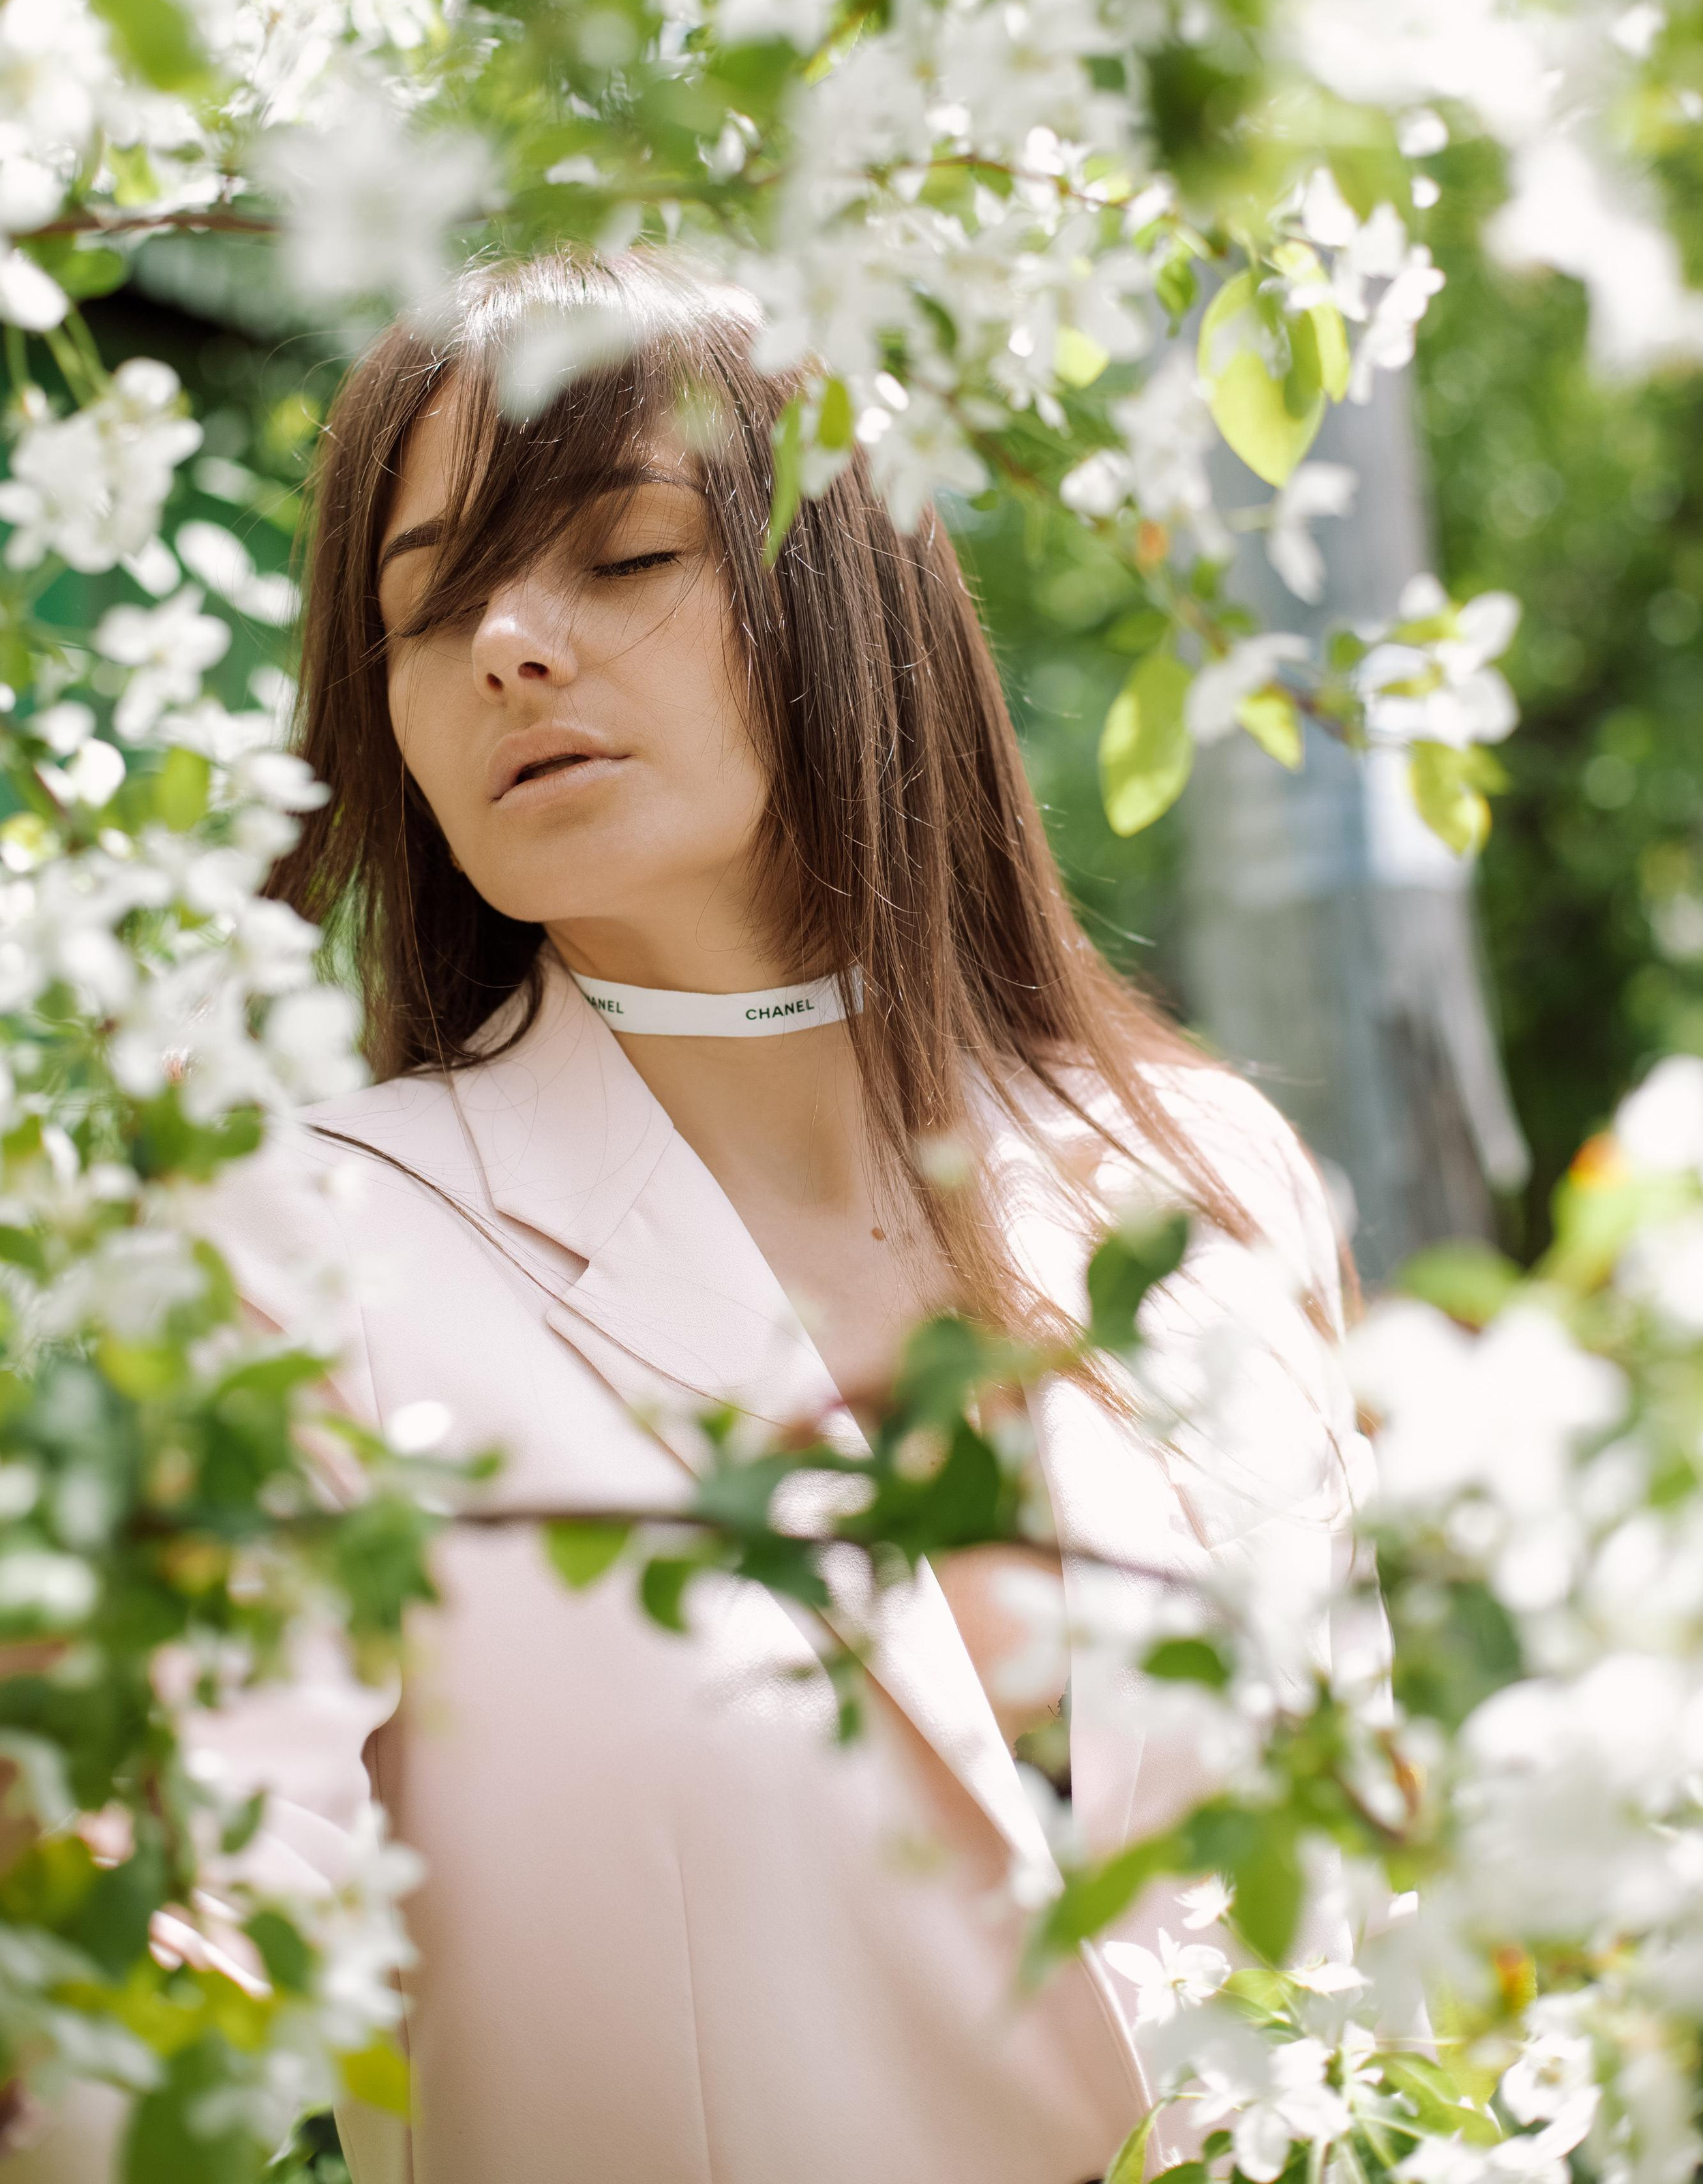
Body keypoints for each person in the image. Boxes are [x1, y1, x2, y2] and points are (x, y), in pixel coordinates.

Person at [26, 250, 1370, 2184]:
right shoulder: (318, 1242)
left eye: (621, 557)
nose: (505, 642)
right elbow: (172, 1977)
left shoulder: (1208, 1177)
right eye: (422, 610)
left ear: (844, 587)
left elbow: (1369, 1942)